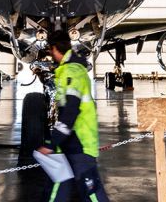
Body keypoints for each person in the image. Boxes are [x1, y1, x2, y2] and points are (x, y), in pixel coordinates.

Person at [37, 30, 110, 202]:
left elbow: (70, 111)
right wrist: (55, 142)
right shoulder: (68, 70)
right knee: (59, 185)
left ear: (54, 49)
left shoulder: (72, 71)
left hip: (80, 143)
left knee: (91, 191)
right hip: (69, 141)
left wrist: (52, 143)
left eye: (50, 50)